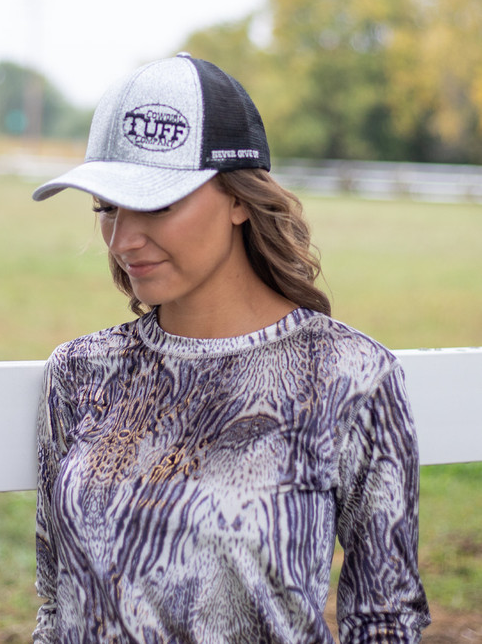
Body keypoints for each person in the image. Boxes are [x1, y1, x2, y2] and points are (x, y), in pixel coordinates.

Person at [31, 53, 430, 643]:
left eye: (158, 203)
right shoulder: (80, 374)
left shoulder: (349, 375)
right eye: (106, 207)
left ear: (240, 199)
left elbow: (386, 619)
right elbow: (56, 600)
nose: (122, 239)